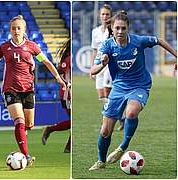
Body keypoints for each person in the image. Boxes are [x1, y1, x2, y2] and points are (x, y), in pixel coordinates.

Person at [0, 15, 66, 166]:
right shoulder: (4, 47)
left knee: (29, 124)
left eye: (19, 28)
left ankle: (24, 138)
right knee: (19, 122)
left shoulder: (32, 46)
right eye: (13, 28)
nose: (16, 31)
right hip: (10, 88)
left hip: (28, 89)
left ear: (24, 30)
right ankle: (26, 155)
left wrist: (58, 78)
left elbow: (46, 62)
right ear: (10, 30)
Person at [89, 10, 177, 171]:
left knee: (131, 113)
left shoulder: (138, 41)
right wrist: (102, 63)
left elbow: (160, 40)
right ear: (112, 29)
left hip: (140, 85)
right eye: (117, 28)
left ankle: (122, 146)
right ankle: (101, 161)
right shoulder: (107, 46)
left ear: (128, 28)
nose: (120, 31)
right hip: (119, 88)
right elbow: (92, 71)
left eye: (123, 28)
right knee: (104, 131)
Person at [90, 4, 124, 131]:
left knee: (108, 94)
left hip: (109, 65)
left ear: (111, 16)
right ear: (99, 16)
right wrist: (92, 67)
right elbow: (94, 50)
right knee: (102, 97)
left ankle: (107, 122)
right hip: (99, 65)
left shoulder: (114, 30)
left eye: (107, 14)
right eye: (103, 14)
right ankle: (120, 117)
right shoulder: (95, 31)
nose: (105, 16)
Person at [41, 38, 71, 153]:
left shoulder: (69, 58)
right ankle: (50, 129)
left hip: (69, 94)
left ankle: (68, 148)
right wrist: (68, 84)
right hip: (67, 94)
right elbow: (60, 74)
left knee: (72, 122)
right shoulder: (68, 59)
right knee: (73, 122)